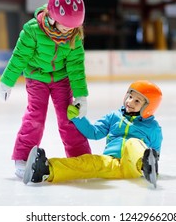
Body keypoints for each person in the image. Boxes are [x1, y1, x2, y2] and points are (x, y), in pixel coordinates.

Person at [0, 0, 91, 179]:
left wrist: (81, 95)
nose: (69, 30)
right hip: (36, 77)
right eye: (65, 25)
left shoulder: (73, 36)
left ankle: (80, 158)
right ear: (53, 16)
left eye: (73, 27)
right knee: (35, 117)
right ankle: (23, 158)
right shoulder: (32, 30)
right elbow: (19, 57)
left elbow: (76, 67)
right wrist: (7, 82)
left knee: (68, 118)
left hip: (61, 79)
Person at [22, 80, 163, 187]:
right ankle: (46, 169)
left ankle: (145, 166)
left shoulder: (153, 128)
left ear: (148, 107)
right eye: (130, 96)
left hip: (134, 166)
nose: (130, 101)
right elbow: (94, 132)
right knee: (88, 162)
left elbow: (155, 151)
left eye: (137, 100)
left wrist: (151, 165)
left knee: (133, 143)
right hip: (111, 163)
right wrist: (78, 118)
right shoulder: (114, 117)